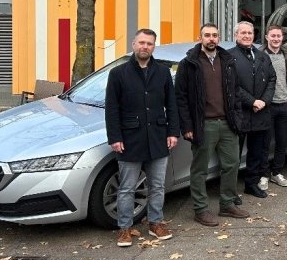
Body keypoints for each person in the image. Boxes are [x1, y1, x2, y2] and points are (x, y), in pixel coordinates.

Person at [105, 28, 179, 246]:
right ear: (133, 44)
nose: (145, 46)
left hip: (158, 138)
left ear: (153, 46)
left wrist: (173, 132)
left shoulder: (163, 72)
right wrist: (115, 137)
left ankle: (156, 223)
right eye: (142, 42)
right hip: (130, 139)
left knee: (157, 186)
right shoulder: (118, 74)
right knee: (127, 188)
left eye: (149, 43)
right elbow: (112, 109)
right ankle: (125, 228)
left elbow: (171, 105)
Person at [175, 23, 249, 226]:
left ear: (219, 38)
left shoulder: (227, 60)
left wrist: (237, 118)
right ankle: (200, 209)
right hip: (203, 124)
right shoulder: (188, 63)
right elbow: (180, 98)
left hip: (227, 123)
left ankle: (227, 204)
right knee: (200, 169)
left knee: (232, 164)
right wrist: (187, 126)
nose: (211, 39)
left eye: (214, 35)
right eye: (207, 35)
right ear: (200, 38)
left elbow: (235, 91)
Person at [229, 21, 276, 199]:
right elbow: (231, 85)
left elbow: (272, 79)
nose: (247, 36)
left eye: (249, 33)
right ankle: (230, 191)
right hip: (239, 113)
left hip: (260, 113)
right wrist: (252, 101)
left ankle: (251, 184)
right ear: (236, 35)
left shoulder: (262, 56)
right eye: (243, 33)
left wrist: (264, 101)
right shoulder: (229, 57)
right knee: (233, 156)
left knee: (256, 153)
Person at [262, 24, 287, 189]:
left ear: (282, 38)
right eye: (273, 36)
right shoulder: (260, 55)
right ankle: (263, 174)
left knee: (282, 142)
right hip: (267, 106)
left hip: (285, 104)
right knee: (264, 143)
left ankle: (276, 172)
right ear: (267, 37)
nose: (276, 39)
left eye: (279, 36)